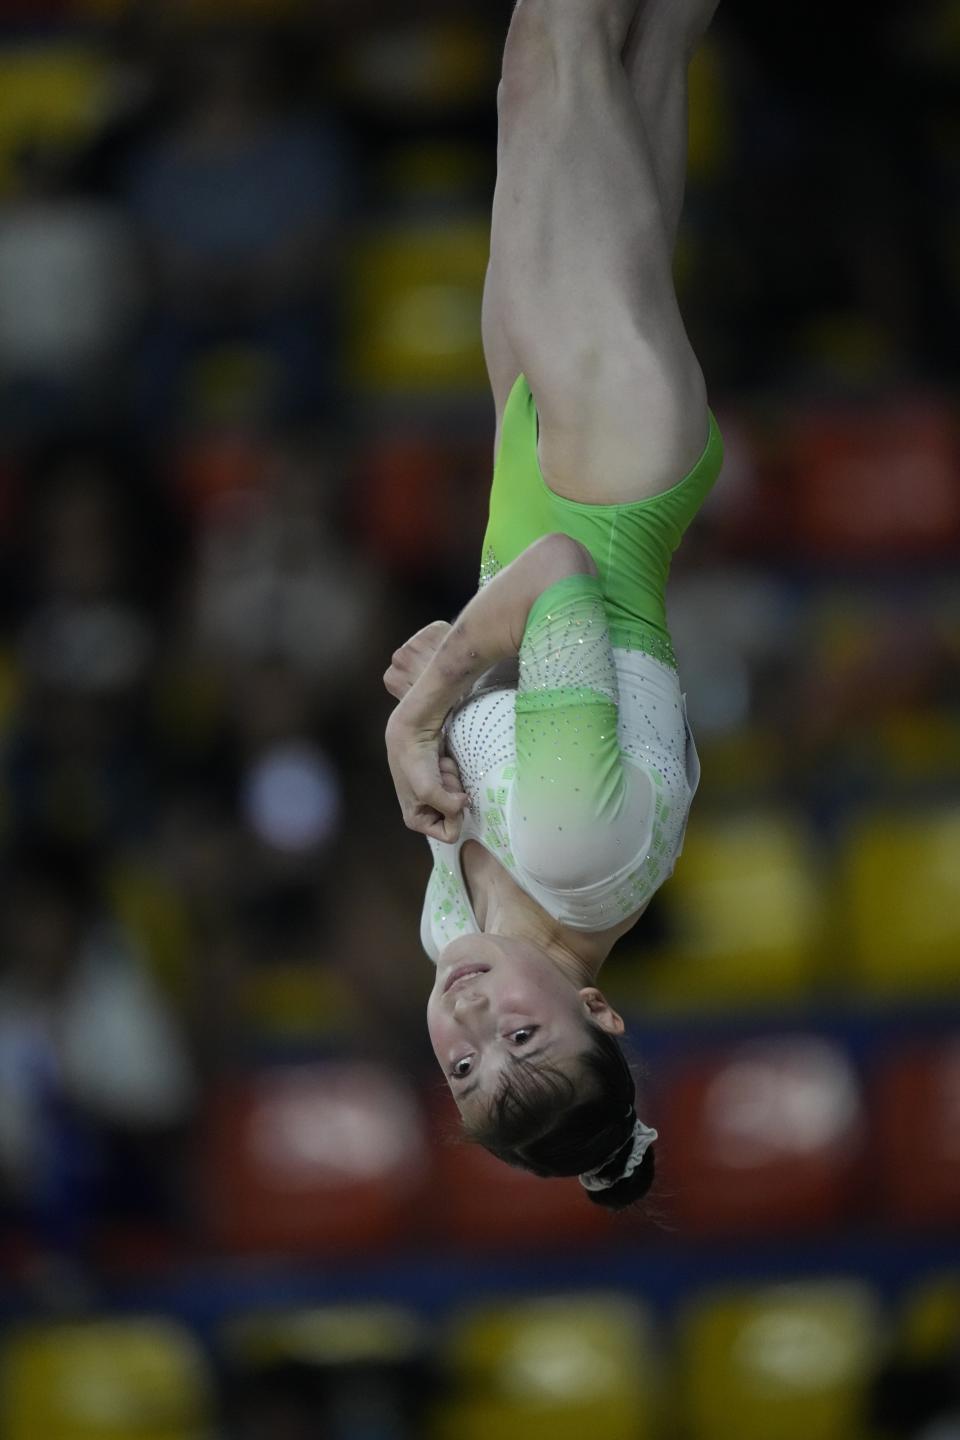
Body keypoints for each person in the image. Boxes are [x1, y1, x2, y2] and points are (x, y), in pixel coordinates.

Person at [384, 0, 724, 1210]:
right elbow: (560, 587)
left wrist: (448, 671)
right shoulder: (584, 860)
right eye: (525, 1040)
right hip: (607, 479)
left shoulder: (449, 933)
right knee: (552, 43)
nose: (473, 1021)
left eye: (468, 1070)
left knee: (638, 54)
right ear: (596, 1008)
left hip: (532, 490)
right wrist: (416, 713)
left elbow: (494, 662)